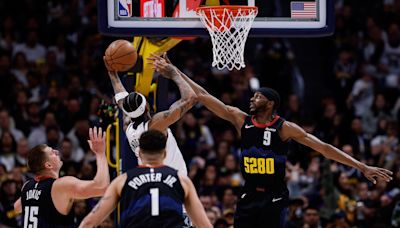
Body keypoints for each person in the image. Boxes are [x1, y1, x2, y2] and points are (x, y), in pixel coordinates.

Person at [148, 53, 393, 228]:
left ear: (270, 103)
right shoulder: (239, 119)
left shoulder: (284, 128)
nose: (252, 99)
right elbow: (203, 95)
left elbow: (325, 148)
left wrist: (362, 167)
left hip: (274, 196)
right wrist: (175, 72)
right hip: (249, 193)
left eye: (257, 97)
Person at [79, 130, 212, 228]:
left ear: (140, 153)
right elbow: (204, 225)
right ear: (164, 153)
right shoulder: (182, 180)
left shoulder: (122, 181)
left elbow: (89, 223)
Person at [103, 57, 197, 176]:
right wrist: (174, 73)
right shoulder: (156, 125)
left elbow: (121, 98)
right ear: (147, 106)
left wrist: (112, 74)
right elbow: (191, 98)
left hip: (151, 180)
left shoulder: (127, 127)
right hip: (173, 180)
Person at [13, 127, 109, 227]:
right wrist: (100, 154)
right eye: (52, 153)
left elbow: (17, 207)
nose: (57, 152)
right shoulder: (61, 185)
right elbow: (102, 187)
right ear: (48, 165)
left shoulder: (27, 186)